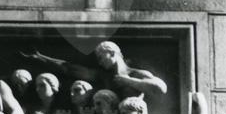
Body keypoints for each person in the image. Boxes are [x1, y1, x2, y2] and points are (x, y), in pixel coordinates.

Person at [21, 41, 167, 99]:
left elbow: (160, 88)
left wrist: (128, 81)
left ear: (112, 53)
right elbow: (69, 68)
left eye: (101, 57)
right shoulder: (103, 76)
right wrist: (40, 57)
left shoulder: (137, 74)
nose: (100, 62)